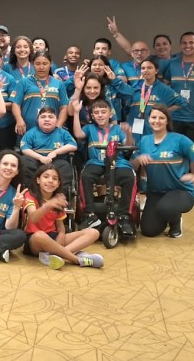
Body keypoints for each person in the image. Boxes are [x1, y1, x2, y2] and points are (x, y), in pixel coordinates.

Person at [134, 105, 194, 238]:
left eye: (161, 118)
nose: (157, 121)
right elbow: (133, 164)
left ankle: (175, 222)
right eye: (153, 117)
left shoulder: (180, 140)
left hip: (180, 190)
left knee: (166, 207)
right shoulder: (144, 141)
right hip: (155, 192)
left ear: (167, 121)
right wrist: (138, 159)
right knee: (148, 231)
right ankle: (164, 215)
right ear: (148, 119)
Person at [72, 99, 137, 236]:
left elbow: (127, 146)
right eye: (96, 113)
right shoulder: (89, 128)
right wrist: (76, 113)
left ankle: (124, 216)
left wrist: (128, 134)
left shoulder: (118, 129)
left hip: (118, 162)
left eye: (103, 112)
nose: (100, 115)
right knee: (85, 176)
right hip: (96, 162)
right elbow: (78, 134)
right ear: (92, 116)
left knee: (129, 177)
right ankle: (90, 214)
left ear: (110, 113)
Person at [22, 164, 103, 269]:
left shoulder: (58, 199)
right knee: (40, 235)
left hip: (53, 236)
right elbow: (33, 218)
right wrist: (48, 205)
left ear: (58, 184)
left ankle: (57, 255)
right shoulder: (30, 195)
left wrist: (61, 236)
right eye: (46, 177)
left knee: (94, 232)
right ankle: (76, 259)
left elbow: (60, 227)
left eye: (54, 179)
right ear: (38, 180)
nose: (50, 181)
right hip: (34, 240)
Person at [161, 31, 194, 151]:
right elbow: (163, 87)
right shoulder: (172, 64)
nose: (187, 45)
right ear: (180, 45)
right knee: (174, 153)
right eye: (184, 43)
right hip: (174, 118)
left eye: (191, 42)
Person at [123, 57, 184, 142]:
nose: (146, 70)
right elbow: (127, 108)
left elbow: (182, 102)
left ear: (156, 71)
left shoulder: (163, 88)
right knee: (135, 147)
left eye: (149, 68)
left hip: (152, 128)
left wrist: (164, 111)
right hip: (135, 126)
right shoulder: (134, 87)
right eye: (143, 68)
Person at [11, 51, 69, 135]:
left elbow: (64, 107)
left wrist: (58, 125)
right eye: (37, 64)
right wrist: (19, 119)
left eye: (45, 64)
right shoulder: (23, 82)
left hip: (52, 131)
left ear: (50, 64)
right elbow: (16, 104)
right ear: (32, 64)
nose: (41, 67)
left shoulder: (59, 84)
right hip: (27, 130)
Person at [19, 106, 78, 188]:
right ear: (37, 120)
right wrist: (40, 157)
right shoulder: (31, 133)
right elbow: (24, 148)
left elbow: (73, 145)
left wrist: (55, 152)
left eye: (50, 117)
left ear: (56, 120)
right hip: (37, 161)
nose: (47, 119)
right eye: (43, 117)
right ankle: (31, 190)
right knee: (24, 161)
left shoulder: (63, 132)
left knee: (65, 166)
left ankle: (59, 192)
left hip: (56, 161)